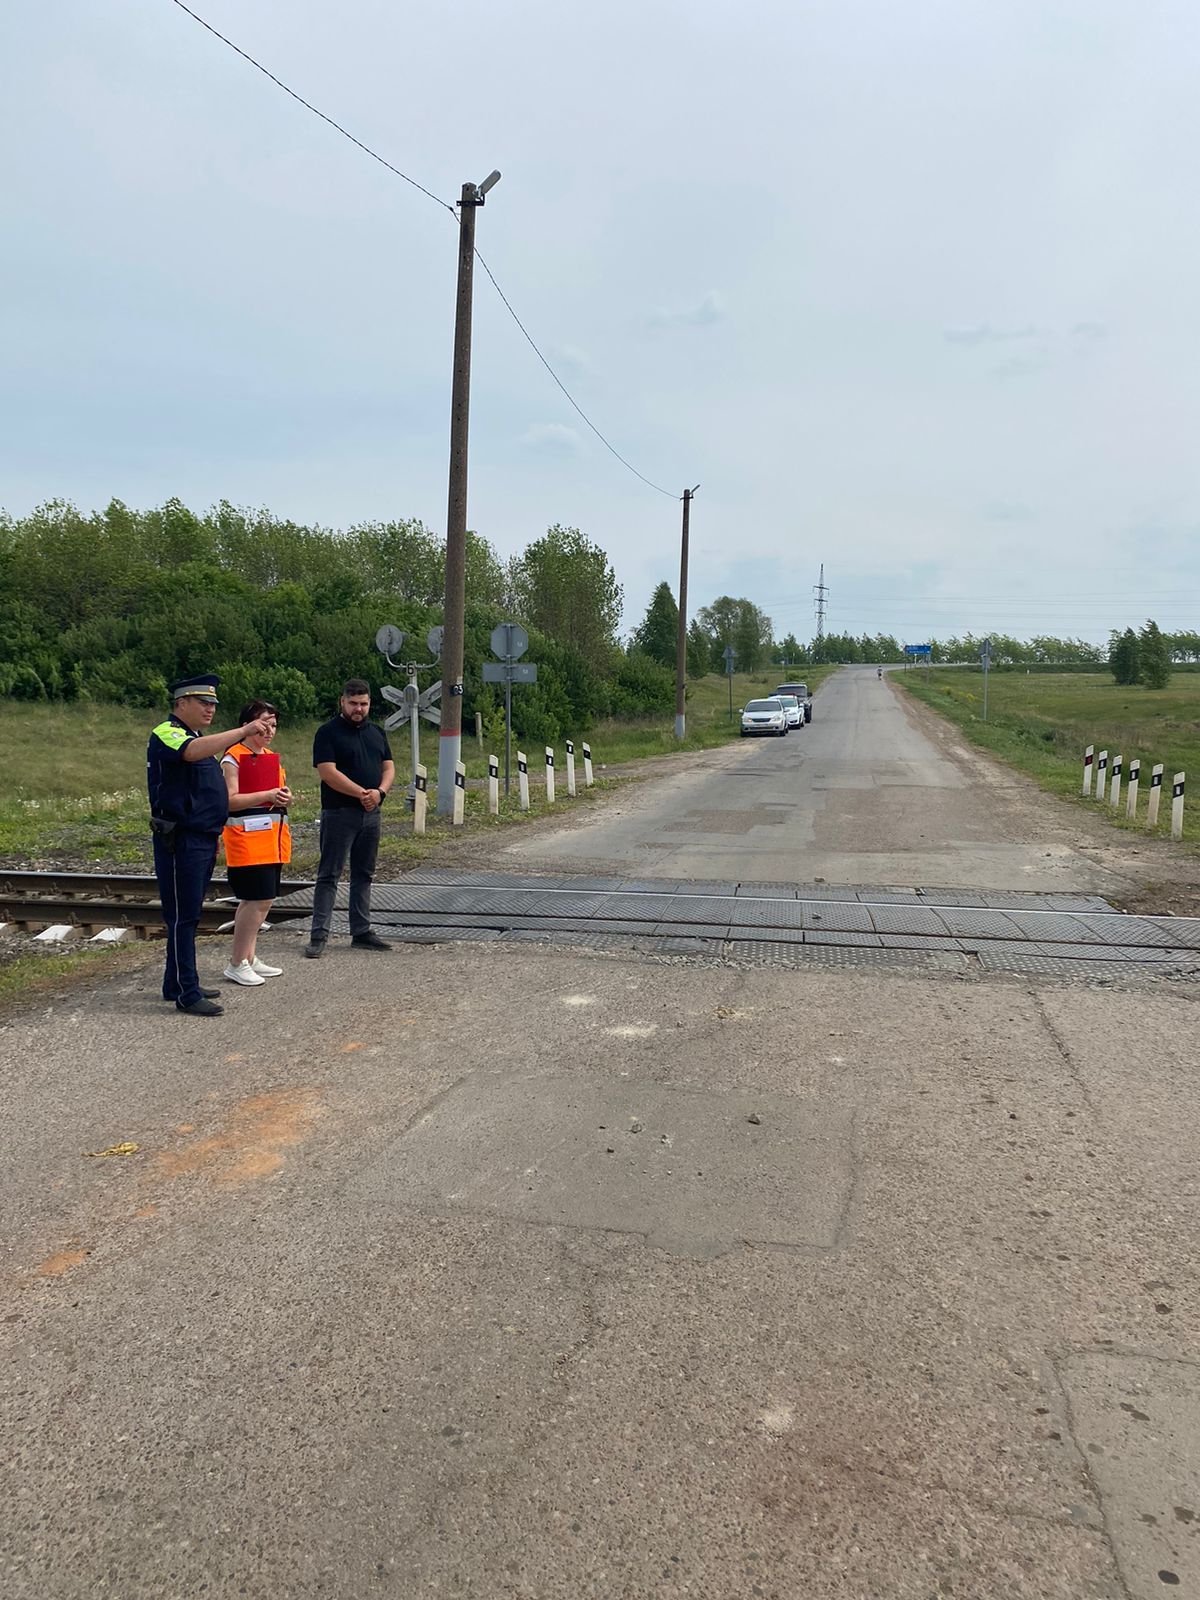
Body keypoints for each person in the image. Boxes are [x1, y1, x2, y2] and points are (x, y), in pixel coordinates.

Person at [147, 674, 272, 1016]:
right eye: (203, 702)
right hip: (181, 839)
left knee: (188, 914)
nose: (210, 709)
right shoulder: (169, 733)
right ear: (181, 703)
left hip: (202, 837)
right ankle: (187, 992)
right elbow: (189, 753)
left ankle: (176, 982)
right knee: (183, 917)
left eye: (214, 704)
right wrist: (244, 731)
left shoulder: (200, 737)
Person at [304, 678, 396, 959]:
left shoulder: (377, 733)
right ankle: (319, 934)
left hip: (371, 813)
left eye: (364, 703)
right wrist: (361, 793)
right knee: (329, 874)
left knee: (364, 873)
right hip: (339, 813)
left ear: (369, 704)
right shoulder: (328, 733)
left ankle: (361, 931)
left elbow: (389, 767)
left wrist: (379, 793)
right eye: (354, 703)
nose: (359, 708)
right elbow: (327, 772)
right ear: (342, 702)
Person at [220, 699, 293, 987]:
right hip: (247, 840)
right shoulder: (233, 756)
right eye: (264, 723)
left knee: (262, 900)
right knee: (255, 900)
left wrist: (284, 796)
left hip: (271, 839)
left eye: (273, 725)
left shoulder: (269, 755)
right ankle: (237, 962)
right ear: (247, 725)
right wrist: (269, 794)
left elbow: (274, 793)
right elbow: (229, 800)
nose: (269, 730)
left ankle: (249, 957)